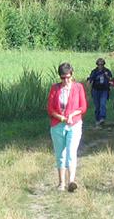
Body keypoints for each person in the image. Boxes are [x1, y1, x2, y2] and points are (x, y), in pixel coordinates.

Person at [47, 62, 87, 192]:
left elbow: (83, 107)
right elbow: (50, 109)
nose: (65, 80)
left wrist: (72, 115)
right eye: (62, 77)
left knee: (71, 152)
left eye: (68, 77)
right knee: (60, 154)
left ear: (72, 74)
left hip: (74, 124)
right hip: (58, 125)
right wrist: (61, 118)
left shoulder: (78, 87)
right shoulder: (55, 88)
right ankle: (61, 183)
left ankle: (71, 181)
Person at [86, 58, 113, 126]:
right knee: (97, 106)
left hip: (104, 90)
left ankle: (102, 118)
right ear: (97, 64)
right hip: (95, 90)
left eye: (102, 64)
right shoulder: (94, 71)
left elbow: (111, 79)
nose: (100, 66)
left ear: (104, 64)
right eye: (99, 64)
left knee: (103, 104)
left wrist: (107, 76)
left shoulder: (107, 71)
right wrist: (88, 87)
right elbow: (90, 79)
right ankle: (97, 119)